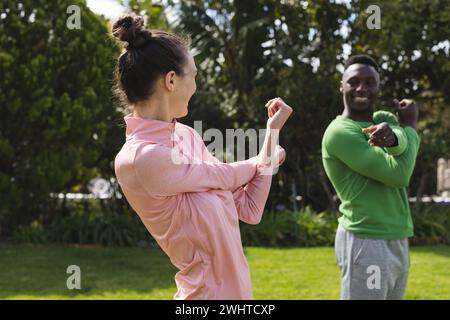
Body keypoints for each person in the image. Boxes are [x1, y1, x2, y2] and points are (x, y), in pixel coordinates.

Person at [112, 15, 293, 299]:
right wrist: (263, 158)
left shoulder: (187, 137)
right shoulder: (141, 157)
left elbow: (249, 208)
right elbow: (226, 176)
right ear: (171, 80)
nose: (196, 86)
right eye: (194, 75)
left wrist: (272, 134)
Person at [321, 54, 420, 300]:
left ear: (379, 87)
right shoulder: (339, 133)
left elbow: (400, 143)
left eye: (369, 82)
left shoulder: (384, 119)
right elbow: (400, 175)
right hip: (366, 239)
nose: (361, 88)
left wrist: (397, 136)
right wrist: (410, 127)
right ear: (341, 86)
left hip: (397, 235)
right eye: (353, 81)